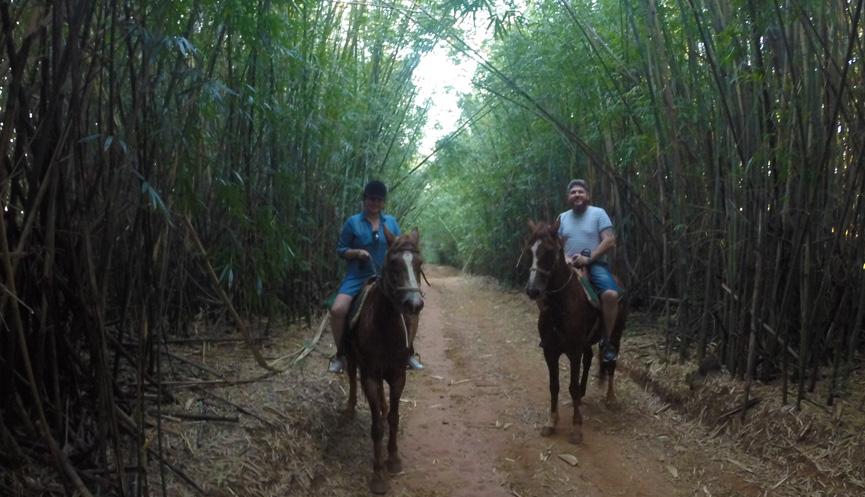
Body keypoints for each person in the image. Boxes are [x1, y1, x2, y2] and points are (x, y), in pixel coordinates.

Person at [328, 180, 424, 373]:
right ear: (365, 199)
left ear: (383, 202)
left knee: (411, 309)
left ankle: (408, 352)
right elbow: (341, 250)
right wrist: (356, 253)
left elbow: (398, 248)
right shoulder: (353, 222)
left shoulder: (391, 223)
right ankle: (342, 355)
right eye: (372, 198)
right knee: (338, 310)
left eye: (379, 199)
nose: (375, 202)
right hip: (357, 276)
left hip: (386, 277)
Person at [557, 179, 620, 362]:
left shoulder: (598, 214)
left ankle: (606, 341)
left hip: (594, 264)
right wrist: (566, 258)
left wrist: (589, 258)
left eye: (580, 192)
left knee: (610, 295)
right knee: (541, 292)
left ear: (588, 195)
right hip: (567, 266)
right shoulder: (562, 218)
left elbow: (609, 241)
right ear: (568, 197)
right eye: (573, 192)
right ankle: (549, 333)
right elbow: (556, 243)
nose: (577, 195)